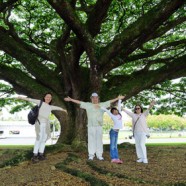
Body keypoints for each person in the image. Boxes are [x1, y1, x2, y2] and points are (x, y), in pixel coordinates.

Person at [64, 93, 122, 161]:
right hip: (91, 126)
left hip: (99, 126)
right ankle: (91, 155)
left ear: (98, 98)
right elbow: (79, 102)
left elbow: (109, 101)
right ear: (91, 98)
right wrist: (71, 99)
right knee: (91, 140)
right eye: (93, 98)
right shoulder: (88, 105)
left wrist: (117, 98)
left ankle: (99, 155)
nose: (95, 99)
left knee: (99, 141)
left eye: (96, 97)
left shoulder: (102, 104)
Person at [17, 93, 67, 163]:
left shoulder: (50, 107)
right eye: (47, 97)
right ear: (44, 97)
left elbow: (57, 108)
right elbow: (30, 99)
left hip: (46, 125)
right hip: (39, 123)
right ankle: (34, 156)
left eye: (50, 97)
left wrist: (63, 110)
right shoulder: (40, 102)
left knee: (43, 139)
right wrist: (21, 97)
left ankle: (41, 154)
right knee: (38, 139)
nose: (48, 98)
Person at [101, 95, 125, 164]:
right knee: (112, 146)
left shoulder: (119, 114)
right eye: (113, 111)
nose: (115, 111)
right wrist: (101, 106)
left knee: (115, 146)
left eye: (116, 110)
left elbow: (119, 106)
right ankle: (113, 158)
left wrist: (119, 100)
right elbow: (106, 111)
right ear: (112, 113)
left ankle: (117, 158)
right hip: (113, 132)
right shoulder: (113, 116)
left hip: (117, 132)